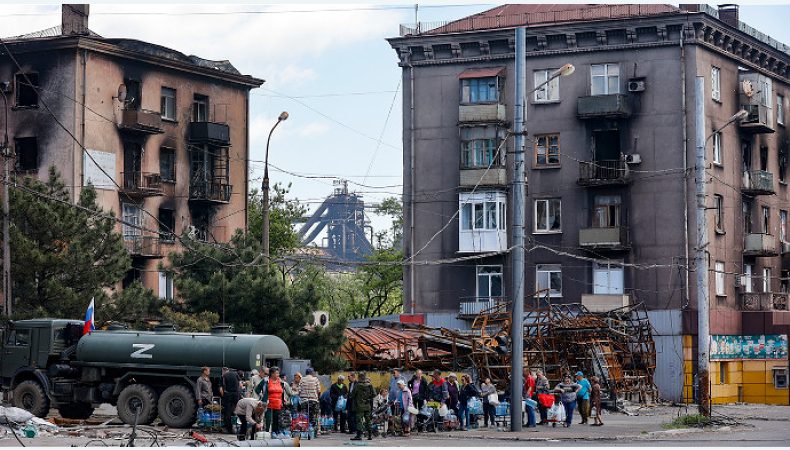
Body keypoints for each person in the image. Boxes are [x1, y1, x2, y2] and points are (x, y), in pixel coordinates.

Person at [349, 372, 376, 441]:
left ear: (359, 377)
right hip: (367, 405)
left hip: (359, 406)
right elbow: (374, 394)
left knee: (359, 420)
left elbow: (352, 395)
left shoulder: (357, 385)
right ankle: (370, 435)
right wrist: (368, 399)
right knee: (368, 420)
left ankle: (359, 435)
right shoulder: (370, 385)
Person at [259, 367, 286, 434]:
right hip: (268, 404)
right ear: (271, 373)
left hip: (278, 404)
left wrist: (284, 400)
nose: (278, 374)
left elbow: (287, 392)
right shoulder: (265, 381)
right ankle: (267, 432)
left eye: (278, 373)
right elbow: (257, 390)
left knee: (277, 419)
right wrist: (262, 397)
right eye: (276, 373)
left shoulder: (281, 382)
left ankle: (275, 433)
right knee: (268, 419)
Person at [298, 368, 322, 434]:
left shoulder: (302, 379)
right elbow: (319, 391)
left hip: (304, 401)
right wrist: (318, 398)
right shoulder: (315, 379)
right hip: (314, 400)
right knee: (314, 415)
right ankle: (314, 431)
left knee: (304, 415)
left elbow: (299, 391)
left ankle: (304, 430)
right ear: (312, 373)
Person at [221, 367, 241, 434]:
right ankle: (237, 427)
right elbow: (240, 384)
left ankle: (229, 429)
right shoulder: (235, 374)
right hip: (236, 395)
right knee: (236, 411)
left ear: (224, 371)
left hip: (229, 395)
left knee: (228, 412)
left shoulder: (224, 376)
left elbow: (224, 386)